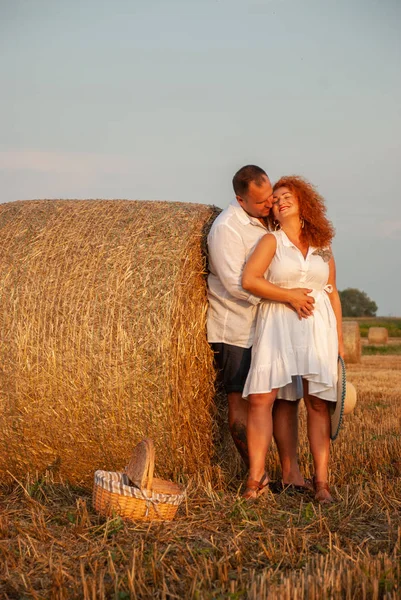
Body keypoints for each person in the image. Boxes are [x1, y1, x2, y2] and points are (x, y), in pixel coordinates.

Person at [207, 165, 316, 489]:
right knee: (242, 400)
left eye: (270, 198)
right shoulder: (227, 228)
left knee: (285, 399)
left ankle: (291, 474)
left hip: (271, 329)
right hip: (237, 329)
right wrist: (285, 297)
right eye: (261, 203)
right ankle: (257, 474)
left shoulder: (267, 221)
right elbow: (236, 285)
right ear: (240, 200)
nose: (269, 206)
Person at [241, 175, 344, 503]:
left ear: (304, 203)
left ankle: (322, 483)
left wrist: (340, 341)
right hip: (279, 324)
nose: (281, 201)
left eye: (288, 196)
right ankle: (255, 479)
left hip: (317, 328)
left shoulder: (323, 246)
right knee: (261, 399)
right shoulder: (271, 242)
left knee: (317, 404)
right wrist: (288, 296)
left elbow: (332, 292)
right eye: (277, 198)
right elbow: (250, 280)